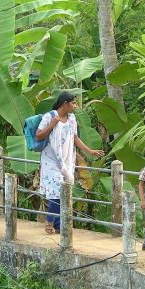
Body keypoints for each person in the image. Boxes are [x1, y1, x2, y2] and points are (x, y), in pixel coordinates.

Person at [36, 91, 104, 234]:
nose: (75, 106)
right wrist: (53, 124)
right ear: (65, 104)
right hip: (51, 160)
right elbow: (39, 135)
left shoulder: (72, 118)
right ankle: (50, 221)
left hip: (66, 160)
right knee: (56, 192)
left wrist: (90, 151)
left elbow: (75, 138)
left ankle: (58, 224)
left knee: (63, 190)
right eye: (73, 103)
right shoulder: (50, 116)